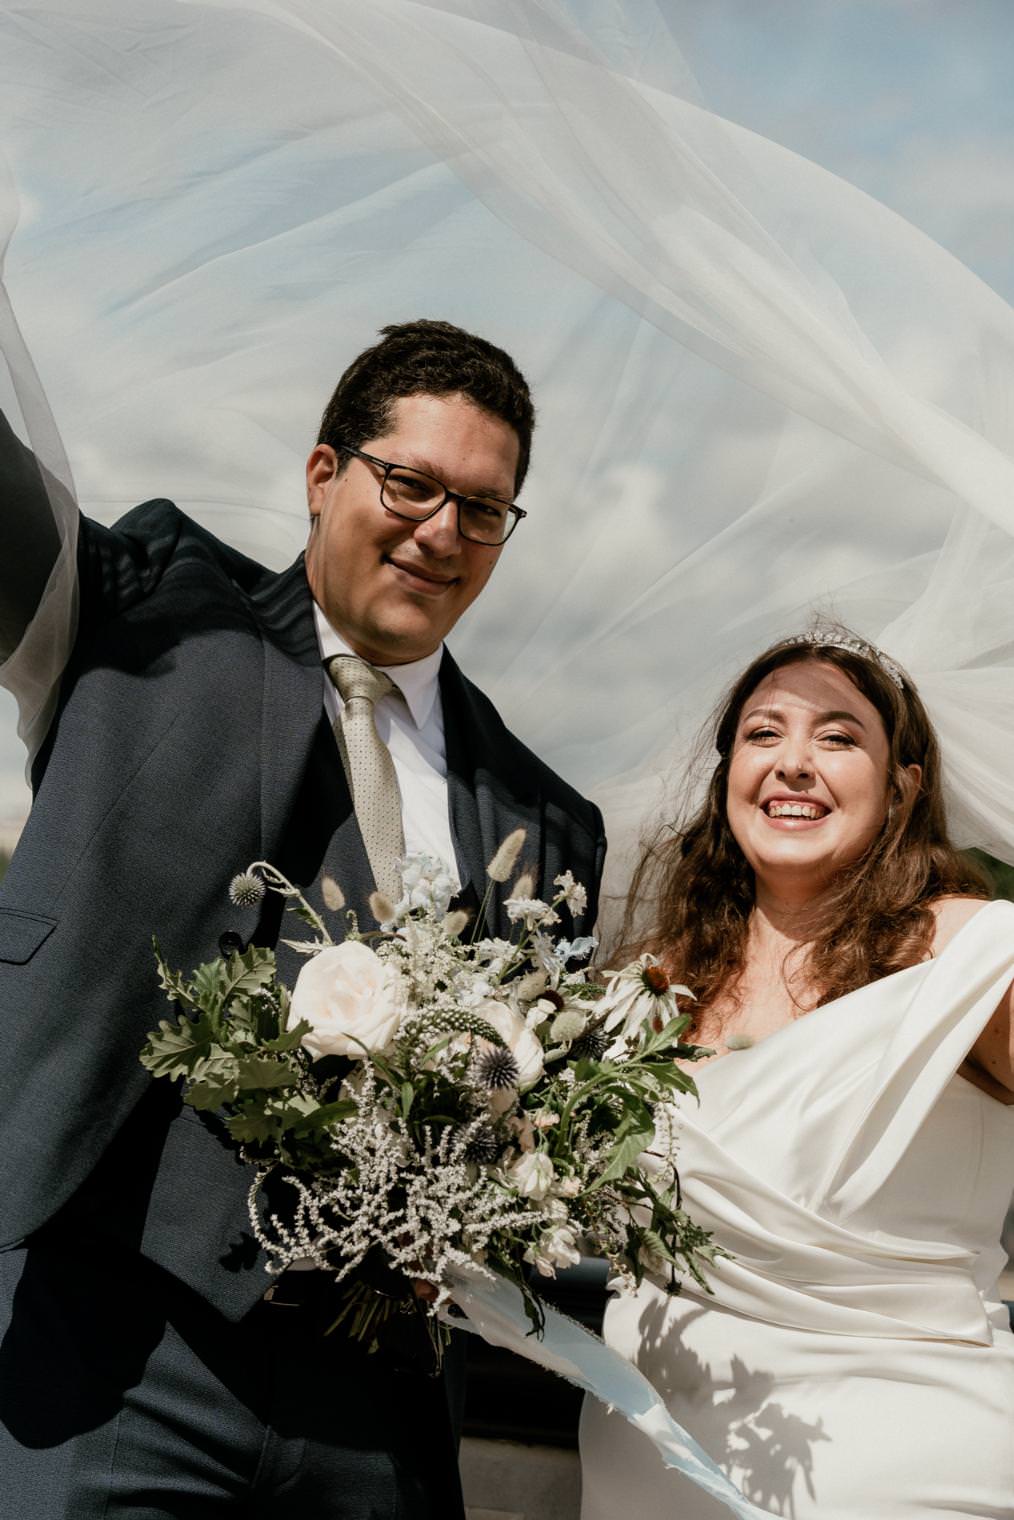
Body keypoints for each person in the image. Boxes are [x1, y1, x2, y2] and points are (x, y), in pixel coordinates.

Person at [0, 318, 606, 1518]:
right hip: (118, 1356)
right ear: (325, 474)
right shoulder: (151, 610)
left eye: (483, 509)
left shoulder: (550, 818)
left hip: (379, 1414)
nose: (442, 530)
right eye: (411, 483)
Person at [580, 628, 1014, 1519]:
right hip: (645, 1469)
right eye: (764, 733)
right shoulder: (644, 986)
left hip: (903, 1475)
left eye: (839, 737)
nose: (794, 764)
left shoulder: (975, 957)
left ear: (903, 785)